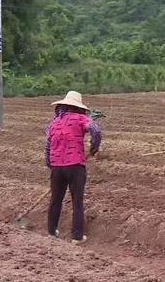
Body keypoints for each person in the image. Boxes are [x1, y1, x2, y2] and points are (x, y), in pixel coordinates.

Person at [45, 91, 101, 244]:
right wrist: (94, 149)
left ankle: (51, 231)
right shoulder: (81, 118)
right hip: (75, 165)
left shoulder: (54, 122)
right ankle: (76, 236)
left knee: (55, 199)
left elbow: (48, 146)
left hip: (56, 167)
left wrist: (51, 165)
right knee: (77, 201)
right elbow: (96, 131)